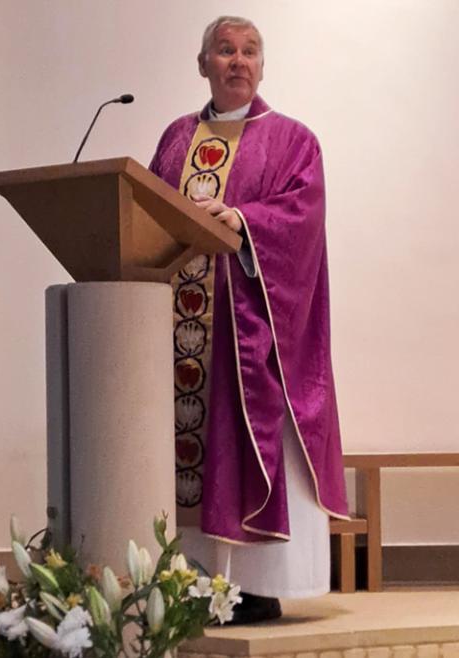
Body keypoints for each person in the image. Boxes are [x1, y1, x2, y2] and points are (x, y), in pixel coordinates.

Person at [149, 16, 348, 623]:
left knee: (245, 445)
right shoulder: (177, 140)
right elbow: (150, 212)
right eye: (225, 50)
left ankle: (254, 586)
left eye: (250, 52)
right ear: (202, 62)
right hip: (180, 339)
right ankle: (188, 583)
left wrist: (241, 222)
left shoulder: (293, 140)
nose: (238, 61)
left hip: (247, 336)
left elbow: (302, 218)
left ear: (262, 66)